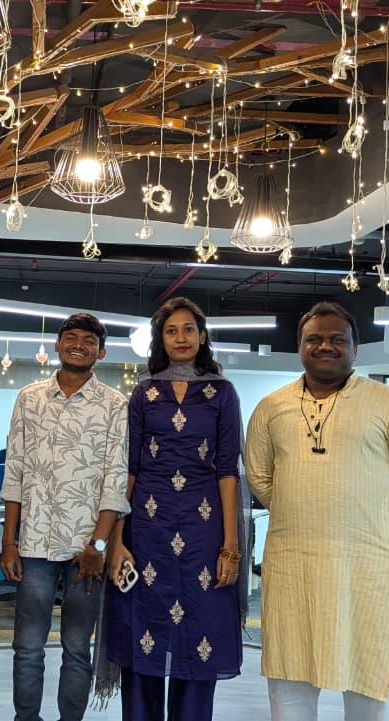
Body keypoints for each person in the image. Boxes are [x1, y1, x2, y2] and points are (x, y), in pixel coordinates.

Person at [245, 300, 389, 721]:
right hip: (294, 565)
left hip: (368, 567)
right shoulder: (271, 407)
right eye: (314, 338)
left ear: (355, 348)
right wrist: (305, 510)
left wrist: (371, 517)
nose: (325, 346)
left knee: (369, 681)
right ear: (299, 345)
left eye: (338, 339)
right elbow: (260, 479)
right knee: (290, 677)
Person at [102, 296, 245, 721]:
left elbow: (226, 469)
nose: (180, 337)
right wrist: (115, 540)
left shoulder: (223, 393)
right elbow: (129, 469)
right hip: (146, 527)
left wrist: (230, 545)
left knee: (200, 632)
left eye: (188, 330)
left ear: (202, 338)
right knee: (142, 627)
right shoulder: (144, 392)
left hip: (206, 530)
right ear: (160, 340)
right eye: (170, 330)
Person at [0, 313, 130, 721]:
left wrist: (99, 546)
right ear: (56, 345)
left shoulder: (115, 405)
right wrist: (8, 542)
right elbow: (16, 471)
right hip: (34, 543)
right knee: (27, 648)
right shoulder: (29, 398)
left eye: (88, 340)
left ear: (101, 351)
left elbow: (116, 478)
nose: (79, 344)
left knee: (77, 649)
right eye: (70, 337)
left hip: (85, 550)